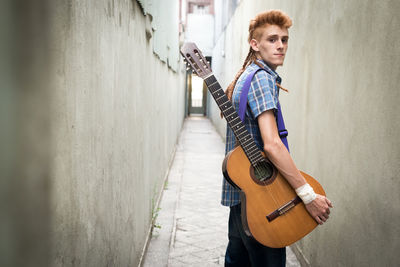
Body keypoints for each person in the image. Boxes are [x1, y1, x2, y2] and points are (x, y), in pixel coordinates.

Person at [221, 10, 333, 266]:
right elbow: (271, 144)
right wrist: (308, 195)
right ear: (255, 44)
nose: (281, 46)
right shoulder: (262, 80)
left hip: (242, 195)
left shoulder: (245, 76)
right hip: (263, 202)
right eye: (272, 39)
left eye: (284, 39)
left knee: (237, 261)